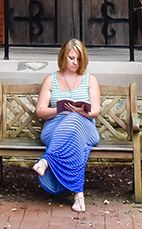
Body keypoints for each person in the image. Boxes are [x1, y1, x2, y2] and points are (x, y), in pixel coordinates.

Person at [32, 39, 101, 212]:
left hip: (86, 128)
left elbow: (95, 111)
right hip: (54, 128)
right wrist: (58, 109)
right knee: (73, 133)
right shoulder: (51, 79)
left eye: (78, 59)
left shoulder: (90, 79)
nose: (75, 62)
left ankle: (46, 160)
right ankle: (79, 196)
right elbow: (40, 111)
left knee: (74, 120)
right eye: (71, 58)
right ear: (63, 57)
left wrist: (81, 112)